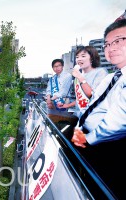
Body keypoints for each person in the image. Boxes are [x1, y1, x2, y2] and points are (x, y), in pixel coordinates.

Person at [71, 18, 126, 199]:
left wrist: (87, 138)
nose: (111, 48)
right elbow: (92, 106)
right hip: (89, 141)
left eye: (119, 41)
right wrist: (79, 129)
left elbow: (118, 121)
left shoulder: (102, 74)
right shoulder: (111, 78)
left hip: (109, 147)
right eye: (107, 44)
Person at [58, 46, 108, 118]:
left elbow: (94, 96)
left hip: (93, 118)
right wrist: (67, 105)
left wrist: (80, 77)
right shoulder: (78, 77)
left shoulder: (101, 72)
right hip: (79, 116)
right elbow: (81, 99)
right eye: (77, 57)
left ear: (92, 58)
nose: (79, 59)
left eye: (83, 56)